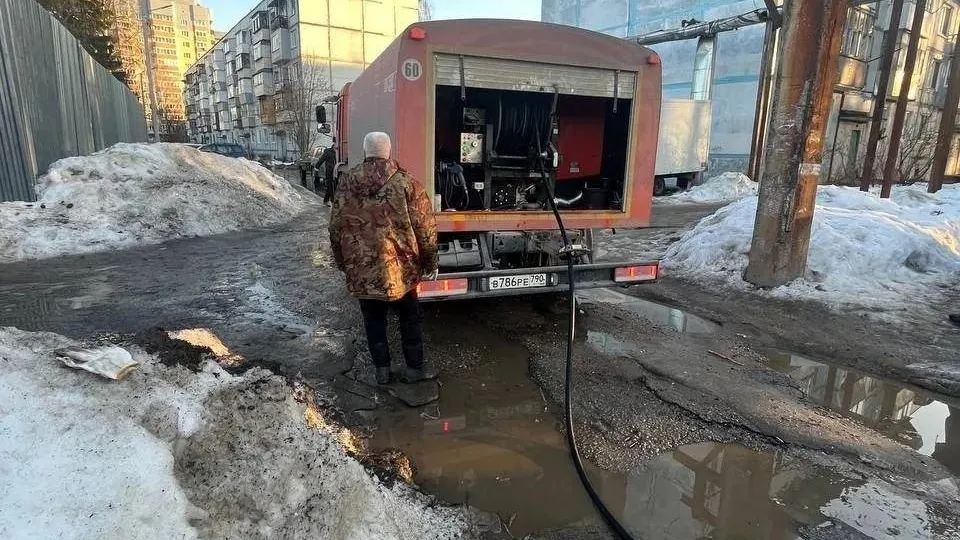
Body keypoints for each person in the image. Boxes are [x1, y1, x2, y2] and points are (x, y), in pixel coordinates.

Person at [329, 132, 439, 385]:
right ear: (389, 151)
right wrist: (430, 263)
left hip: (363, 269)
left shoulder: (346, 184)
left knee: (373, 320)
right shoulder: (407, 184)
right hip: (401, 271)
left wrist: (343, 263)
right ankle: (414, 369)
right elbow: (425, 229)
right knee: (410, 319)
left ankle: (382, 370)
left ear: (365, 151)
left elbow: (334, 228)